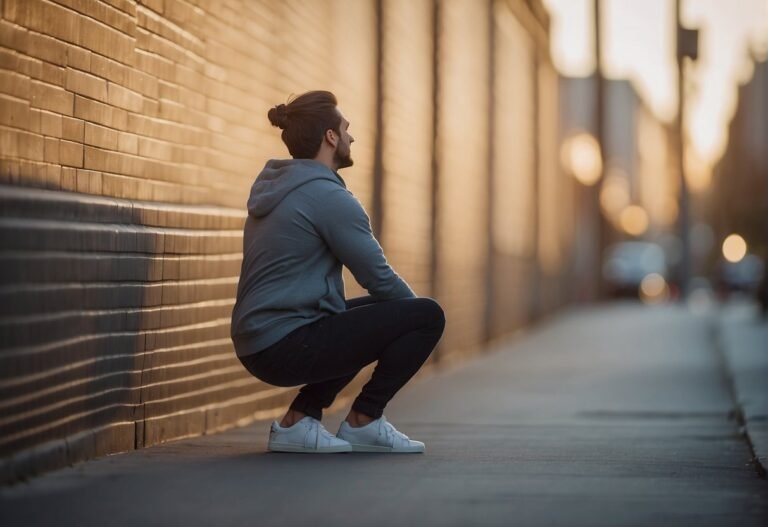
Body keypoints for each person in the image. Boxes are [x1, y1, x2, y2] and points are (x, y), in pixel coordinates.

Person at [230, 90, 446, 454]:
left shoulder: (281, 188)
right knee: (427, 315)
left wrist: (389, 321)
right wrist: (408, 324)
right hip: (283, 345)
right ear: (330, 137)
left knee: (367, 316)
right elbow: (380, 279)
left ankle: (298, 421)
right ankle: (364, 419)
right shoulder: (328, 198)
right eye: (345, 129)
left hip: (258, 340)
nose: (351, 137)